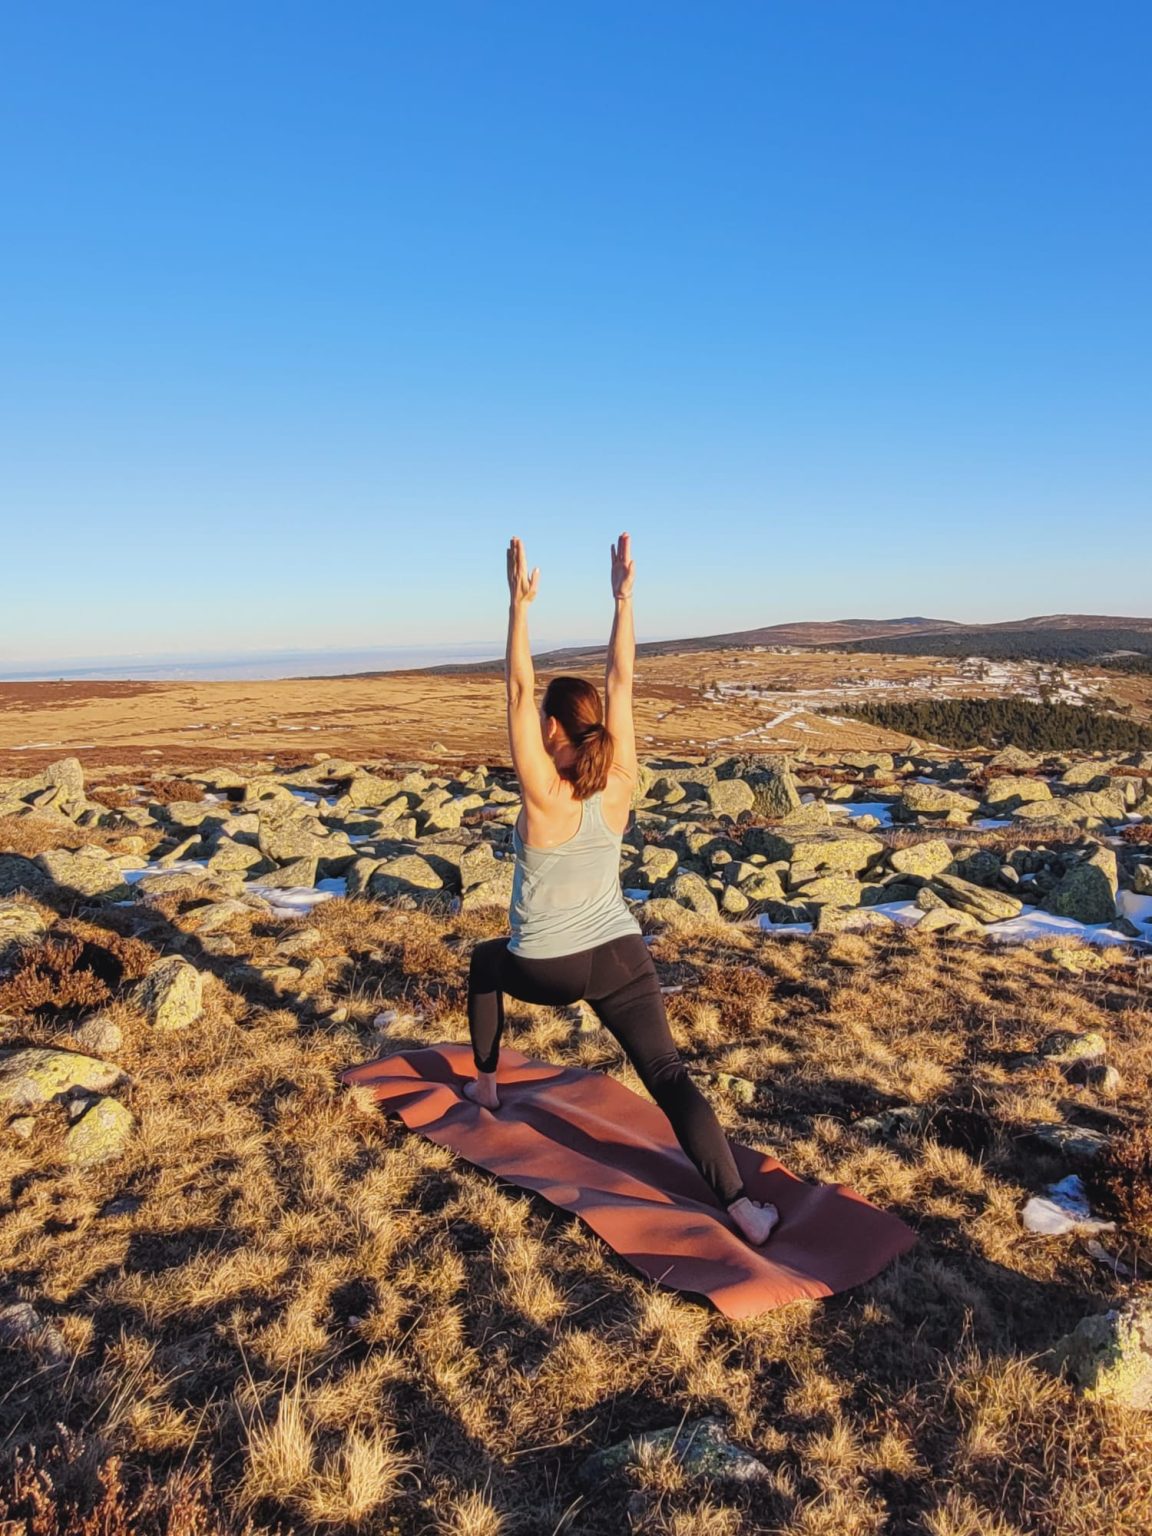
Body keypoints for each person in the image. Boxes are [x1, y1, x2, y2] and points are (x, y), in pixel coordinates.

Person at [463, 533, 779, 1246]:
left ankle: (485, 1085)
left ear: (552, 728)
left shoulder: (543, 791)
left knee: (486, 963)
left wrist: (517, 605)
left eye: (543, 718)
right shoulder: (622, 780)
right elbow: (623, 680)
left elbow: (516, 686)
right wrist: (624, 597)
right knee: (666, 1073)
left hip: (546, 965)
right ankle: (742, 1207)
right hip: (618, 953)